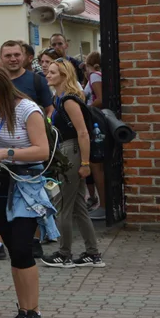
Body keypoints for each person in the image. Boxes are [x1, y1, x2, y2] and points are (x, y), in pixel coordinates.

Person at [0, 65, 57, 318]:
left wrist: (5, 153)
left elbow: (42, 151)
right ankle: (23, 311)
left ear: (2, 87)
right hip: (1, 184)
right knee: (14, 251)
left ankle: (35, 314)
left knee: (23, 248)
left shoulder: (28, 109)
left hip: (25, 187)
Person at [42, 60, 105, 269]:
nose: (48, 75)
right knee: (77, 205)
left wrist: (85, 163)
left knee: (63, 205)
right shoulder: (58, 98)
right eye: (48, 71)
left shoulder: (69, 100)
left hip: (72, 150)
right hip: (67, 150)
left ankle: (64, 253)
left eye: (52, 72)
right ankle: (92, 253)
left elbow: (83, 132)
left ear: (63, 75)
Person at [83, 51, 107, 220]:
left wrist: (85, 109)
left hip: (95, 122)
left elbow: (100, 98)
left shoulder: (94, 76)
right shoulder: (98, 75)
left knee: (96, 165)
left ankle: (104, 205)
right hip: (96, 120)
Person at [0, 41, 53, 110]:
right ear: (1, 58)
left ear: (22, 56)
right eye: (8, 56)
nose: (13, 59)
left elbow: (50, 110)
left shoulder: (38, 80)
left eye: (17, 55)